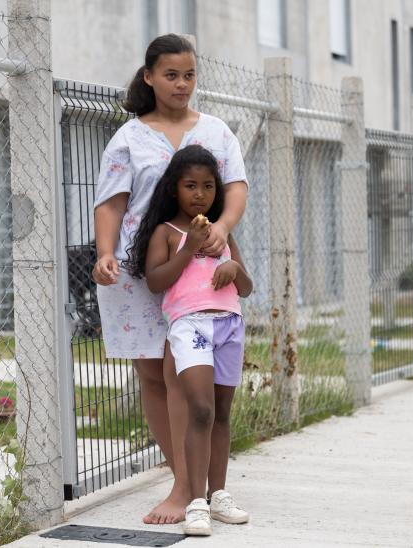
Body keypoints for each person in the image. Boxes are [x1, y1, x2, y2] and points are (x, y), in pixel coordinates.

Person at [92, 33, 248, 524]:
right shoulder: (129, 137)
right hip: (142, 270)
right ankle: (185, 475)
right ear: (150, 78)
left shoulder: (218, 132)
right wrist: (104, 253)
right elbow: (112, 200)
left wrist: (221, 230)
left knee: (179, 372)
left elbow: (237, 189)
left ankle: (186, 490)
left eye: (189, 75)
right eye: (171, 75)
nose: (181, 85)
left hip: (195, 275)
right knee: (151, 376)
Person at [125, 145, 252, 536]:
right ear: (174, 189)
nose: (200, 194)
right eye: (190, 185)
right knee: (200, 409)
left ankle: (219, 495)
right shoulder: (166, 232)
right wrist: (191, 245)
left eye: (209, 186)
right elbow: (157, 281)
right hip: (190, 327)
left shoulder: (222, 234)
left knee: (223, 413)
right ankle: (195, 501)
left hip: (229, 325)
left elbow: (245, 287)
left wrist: (232, 265)